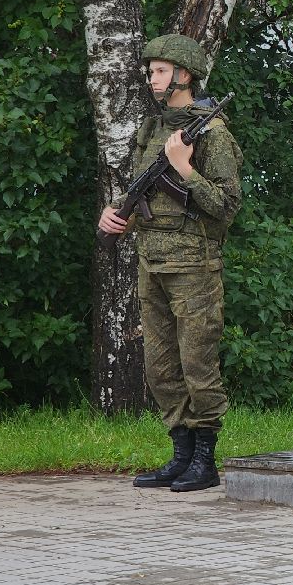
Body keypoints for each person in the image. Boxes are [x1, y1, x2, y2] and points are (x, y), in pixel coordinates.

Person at [98, 34, 242, 492]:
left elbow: (226, 206)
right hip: (152, 263)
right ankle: (180, 455)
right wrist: (115, 213)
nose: (152, 78)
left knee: (198, 365)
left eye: (160, 71)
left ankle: (205, 460)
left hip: (194, 266)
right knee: (160, 368)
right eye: (150, 72)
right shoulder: (152, 130)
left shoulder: (213, 134)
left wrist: (185, 169)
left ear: (185, 74)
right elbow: (141, 192)